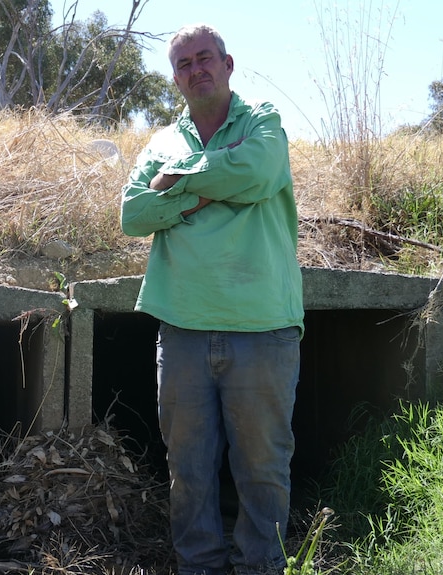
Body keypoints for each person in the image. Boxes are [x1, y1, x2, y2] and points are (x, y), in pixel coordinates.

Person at [120, 23, 304, 575]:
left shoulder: (264, 122)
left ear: (227, 63)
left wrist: (177, 187)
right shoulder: (160, 143)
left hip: (262, 326)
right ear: (175, 77)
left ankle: (260, 567)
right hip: (182, 329)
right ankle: (197, 566)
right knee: (189, 469)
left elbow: (259, 171)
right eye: (183, 64)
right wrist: (211, 188)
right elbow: (133, 215)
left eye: (205, 58)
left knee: (263, 467)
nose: (195, 69)